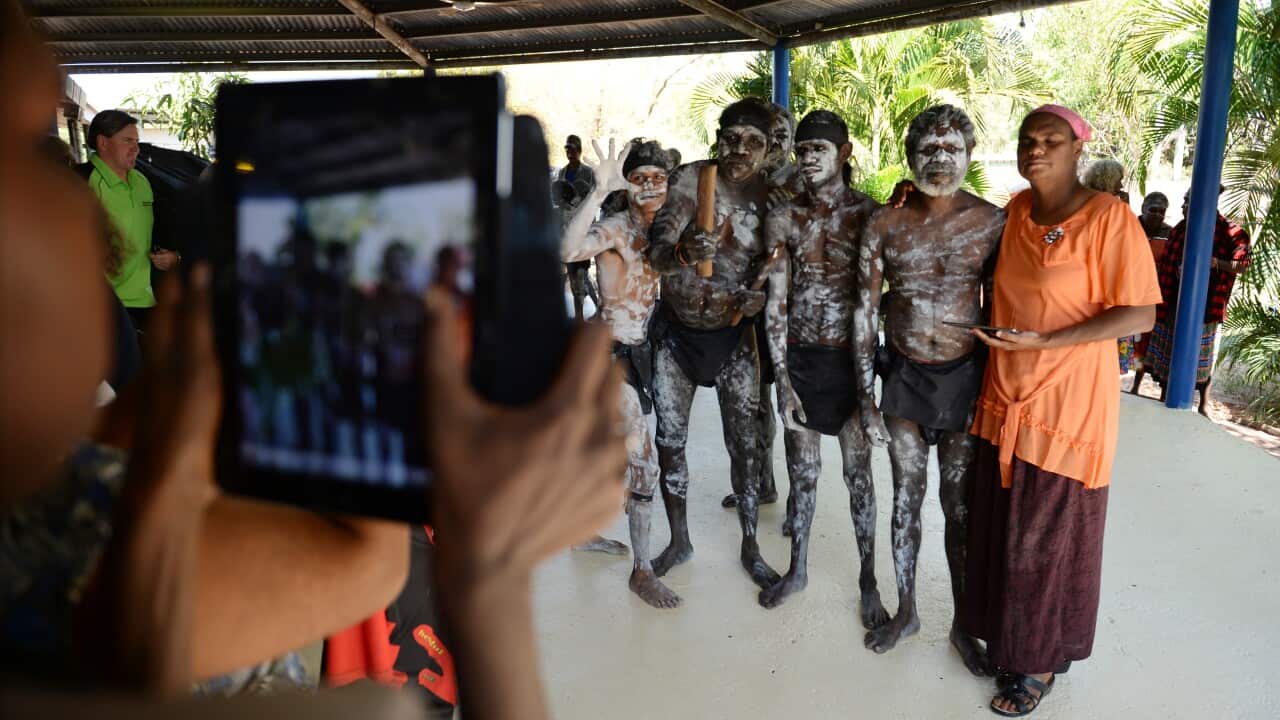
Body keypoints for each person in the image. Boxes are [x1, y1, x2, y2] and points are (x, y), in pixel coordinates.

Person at [2, 7, 628, 718]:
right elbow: (362, 560)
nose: (82, 212)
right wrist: (491, 581)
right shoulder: (54, 554)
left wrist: (170, 416)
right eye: (30, 149)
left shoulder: (55, 484)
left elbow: (110, 479)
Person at [963, 105, 1160, 717]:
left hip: (1067, 399)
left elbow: (1140, 314)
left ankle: (1040, 663)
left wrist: (1046, 342)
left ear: (1079, 150)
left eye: (1051, 141)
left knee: (1045, 535)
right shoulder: (1017, 210)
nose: (1036, 150)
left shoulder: (1109, 218)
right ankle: (1011, 641)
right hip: (1005, 392)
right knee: (1001, 526)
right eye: (1027, 140)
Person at [856, 105, 1006, 673]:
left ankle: (964, 625)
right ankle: (907, 609)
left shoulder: (993, 223)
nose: (940, 158)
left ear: (969, 155)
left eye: (952, 148)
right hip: (904, 379)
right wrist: (864, 392)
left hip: (966, 381)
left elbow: (1004, 304)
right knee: (906, 501)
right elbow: (864, 311)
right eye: (929, 147)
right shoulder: (884, 223)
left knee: (959, 508)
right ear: (909, 154)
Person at [647, 97, 779, 591]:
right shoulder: (687, 181)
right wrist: (682, 251)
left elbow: (781, 272)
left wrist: (759, 298)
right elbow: (655, 258)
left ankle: (751, 545)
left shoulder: (772, 199)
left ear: (768, 150)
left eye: (753, 143)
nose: (740, 150)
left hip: (733, 337)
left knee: (745, 447)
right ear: (717, 136)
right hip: (677, 336)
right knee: (669, 443)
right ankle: (679, 540)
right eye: (732, 138)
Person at [756, 110, 880, 610]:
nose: (807, 158)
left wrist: (868, 390)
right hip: (802, 360)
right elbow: (777, 300)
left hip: (852, 364)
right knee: (802, 474)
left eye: (818, 149)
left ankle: (868, 581)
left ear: (844, 154)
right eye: (802, 149)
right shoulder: (785, 216)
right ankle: (799, 568)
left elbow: (872, 306)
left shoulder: (870, 215)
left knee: (859, 477)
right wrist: (782, 378)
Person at [561, 137, 682, 607]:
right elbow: (567, 251)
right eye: (639, 179)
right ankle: (642, 571)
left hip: (636, 354)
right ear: (626, 187)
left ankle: (581, 531)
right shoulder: (615, 228)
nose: (651, 186)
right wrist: (597, 192)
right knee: (643, 464)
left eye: (659, 178)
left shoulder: (669, 232)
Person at [721, 101, 796, 514]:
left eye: (783, 135)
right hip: (742, 308)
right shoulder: (741, 181)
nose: (777, 143)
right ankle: (759, 482)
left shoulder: (800, 183)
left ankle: (792, 500)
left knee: (789, 406)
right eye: (773, 135)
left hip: (785, 310)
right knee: (751, 404)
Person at [1139, 187, 1251, 414]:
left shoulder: (1232, 232)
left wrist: (1214, 262)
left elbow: (1243, 265)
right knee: (1168, 356)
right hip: (1171, 299)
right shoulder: (1180, 229)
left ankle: (1202, 406)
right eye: (1184, 201)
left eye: (1187, 201)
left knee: (1199, 358)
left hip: (1205, 306)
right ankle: (1164, 399)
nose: (1182, 206)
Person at [82, 109, 180, 333]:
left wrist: (175, 256)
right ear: (103, 143)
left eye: (137, 141)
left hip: (147, 301)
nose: (136, 148)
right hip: (104, 306)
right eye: (128, 141)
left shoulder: (142, 182)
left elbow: (160, 231)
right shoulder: (80, 182)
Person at [1126, 192, 1174, 390]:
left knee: (1144, 343)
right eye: (1153, 210)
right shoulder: (1129, 226)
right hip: (1126, 292)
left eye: (1161, 211)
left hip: (1153, 295)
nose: (1157, 215)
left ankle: (1135, 384)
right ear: (1144, 208)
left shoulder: (1170, 234)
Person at [554, 134, 600, 321]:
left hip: (583, 229)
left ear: (579, 150)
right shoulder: (562, 173)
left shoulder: (588, 173)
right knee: (570, 274)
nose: (570, 153)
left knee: (581, 274)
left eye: (573, 149)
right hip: (565, 228)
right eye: (567, 149)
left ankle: (585, 315)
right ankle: (576, 317)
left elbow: (593, 199)